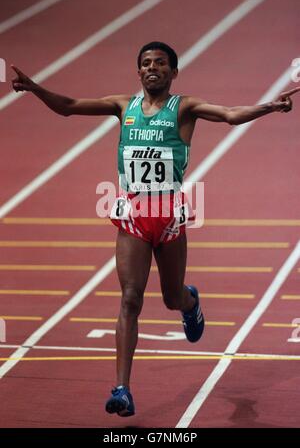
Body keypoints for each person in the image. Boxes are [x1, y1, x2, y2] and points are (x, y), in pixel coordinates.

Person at [12, 42, 300, 417]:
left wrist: (270, 106)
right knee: (131, 297)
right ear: (139, 72)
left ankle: (190, 302)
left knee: (170, 297)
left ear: (173, 72)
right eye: (146, 63)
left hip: (168, 214)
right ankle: (122, 389)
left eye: (160, 63)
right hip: (132, 213)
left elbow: (229, 114)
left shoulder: (185, 108)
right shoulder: (122, 106)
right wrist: (35, 89)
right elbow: (68, 107)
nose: (152, 68)